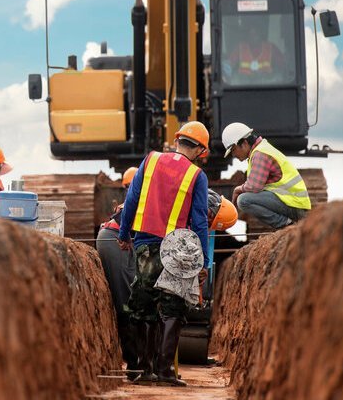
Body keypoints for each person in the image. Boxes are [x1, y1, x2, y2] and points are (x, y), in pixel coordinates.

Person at [117, 121, 211, 387]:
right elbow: (200, 220)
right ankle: (166, 371)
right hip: (177, 249)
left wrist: (125, 235)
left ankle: (141, 369)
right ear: (200, 150)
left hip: (145, 243)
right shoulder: (197, 176)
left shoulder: (151, 160)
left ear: (177, 140)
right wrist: (202, 260)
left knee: (142, 305)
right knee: (173, 308)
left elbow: (132, 200)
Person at [222, 122, 310, 229]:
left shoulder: (259, 154)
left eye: (233, 150)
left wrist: (238, 189)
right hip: (293, 202)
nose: (234, 155)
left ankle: (286, 225)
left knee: (243, 200)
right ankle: (287, 224)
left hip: (294, 204)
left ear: (244, 143)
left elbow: (254, 187)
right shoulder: (260, 149)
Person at [96, 167, 138, 373]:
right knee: (126, 301)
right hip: (114, 241)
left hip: (118, 240)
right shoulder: (134, 202)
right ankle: (134, 364)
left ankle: (137, 362)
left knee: (130, 297)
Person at [225, 18, 286, 84]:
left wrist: (271, 74)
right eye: (251, 34)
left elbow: (283, 65)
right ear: (247, 35)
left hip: (266, 85)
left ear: (260, 34)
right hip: (243, 85)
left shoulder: (270, 48)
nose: (253, 37)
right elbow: (229, 65)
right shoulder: (240, 48)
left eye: (255, 34)